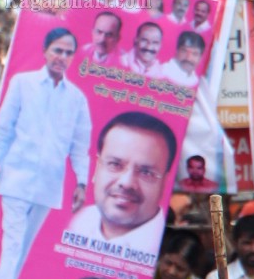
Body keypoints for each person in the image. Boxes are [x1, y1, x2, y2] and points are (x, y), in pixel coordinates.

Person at [0, 28, 91, 279]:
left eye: (68, 52)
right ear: (45, 51)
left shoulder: (76, 99)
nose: (62, 57)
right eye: (57, 50)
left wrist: (82, 182)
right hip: (16, 177)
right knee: (12, 244)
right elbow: (2, 130)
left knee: (24, 246)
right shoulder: (23, 84)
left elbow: (80, 146)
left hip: (48, 184)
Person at [61, 113, 177, 268]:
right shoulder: (79, 222)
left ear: (165, 182)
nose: (127, 183)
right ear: (96, 168)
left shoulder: (166, 251)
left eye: (146, 172)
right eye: (115, 164)